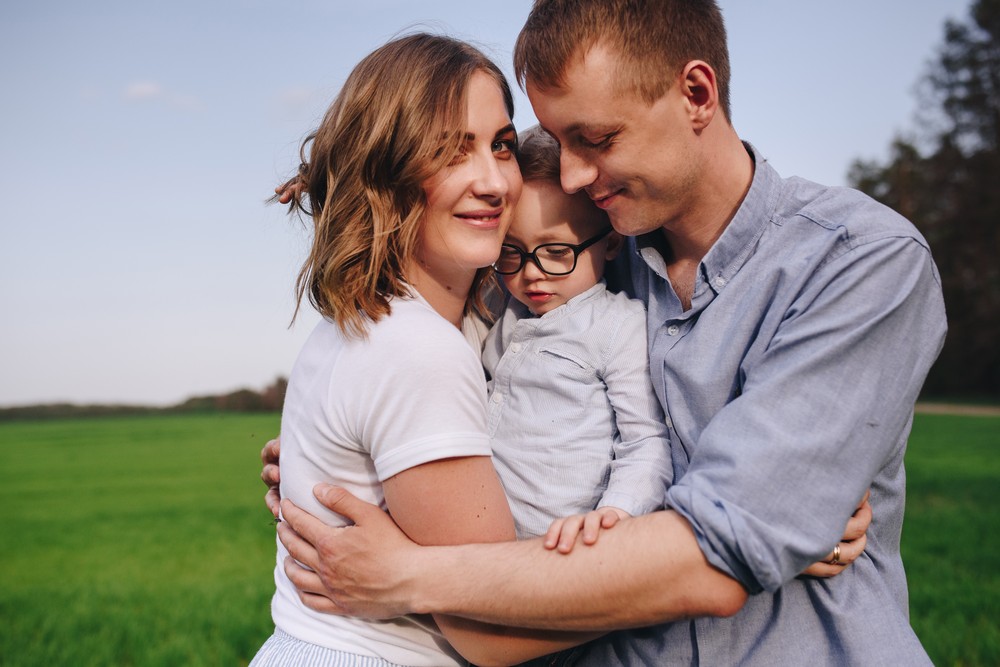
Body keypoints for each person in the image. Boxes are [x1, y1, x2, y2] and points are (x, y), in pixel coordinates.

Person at [268, 1, 947, 665]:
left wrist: (411, 575)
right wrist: (331, 460)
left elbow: (715, 556)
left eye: (595, 139)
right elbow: (450, 394)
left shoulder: (860, 260)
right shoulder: (577, 260)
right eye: (556, 142)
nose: (570, 175)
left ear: (697, 94)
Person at [251, 33, 603, 667]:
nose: (494, 182)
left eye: (501, 145)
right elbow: (493, 633)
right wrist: (715, 570)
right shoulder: (417, 350)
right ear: (387, 171)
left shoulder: (370, 318)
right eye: (449, 151)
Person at [484, 126, 671, 548]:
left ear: (610, 245)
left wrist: (615, 513)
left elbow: (646, 440)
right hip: (491, 546)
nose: (531, 273)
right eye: (512, 251)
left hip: (566, 550)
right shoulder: (508, 312)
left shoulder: (617, 325)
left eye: (556, 252)